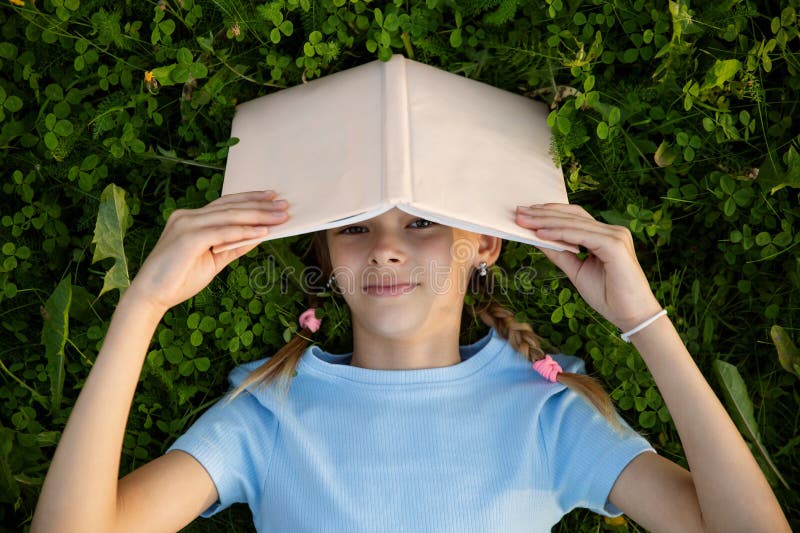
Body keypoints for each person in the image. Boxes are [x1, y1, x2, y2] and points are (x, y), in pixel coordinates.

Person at [31, 190, 790, 532]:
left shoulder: (550, 414)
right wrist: (142, 308)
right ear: (328, 255)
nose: (387, 246)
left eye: (422, 221)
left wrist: (644, 321)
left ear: (484, 243)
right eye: (356, 227)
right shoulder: (267, 411)